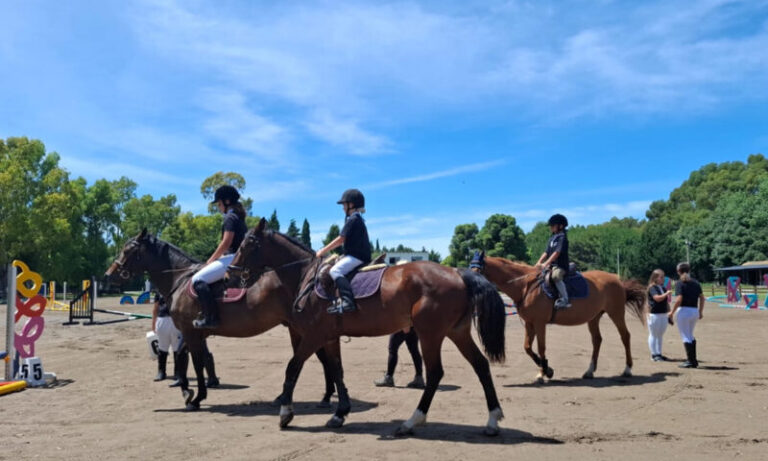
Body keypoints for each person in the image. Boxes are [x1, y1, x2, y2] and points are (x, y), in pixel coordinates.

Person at [192, 185, 247, 329]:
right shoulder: (238, 216)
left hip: (233, 258)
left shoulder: (230, 217)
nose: (218, 206)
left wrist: (211, 260)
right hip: (237, 256)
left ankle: (211, 317)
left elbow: (226, 241)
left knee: (198, 279)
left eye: (219, 203)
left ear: (227, 201)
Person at [316, 189, 371, 314]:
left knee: (335, 270)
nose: (343, 208)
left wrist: (322, 251)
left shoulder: (353, 219)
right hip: (356, 255)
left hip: (357, 256)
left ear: (351, 205)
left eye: (344, 205)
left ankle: (348, 302)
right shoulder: (356, 218)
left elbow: (341, 239)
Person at [153, 293, 219, 387]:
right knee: (169, 349)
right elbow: (156, 307)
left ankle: (180, 374)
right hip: (170, 320)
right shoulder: (162, 291)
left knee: (183, 349)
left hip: (183, 321)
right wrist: (154, 321)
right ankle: (167, 373)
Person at [669, 262, 705, 368]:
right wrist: (700, 311)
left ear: (678, 271)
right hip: (694, 311)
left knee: (685, 335)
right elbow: (702, 298)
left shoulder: (680, 283)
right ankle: (693, 360)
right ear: (689, 270)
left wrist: (672, 312)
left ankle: (691, 361)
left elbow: (679, 299)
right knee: (690, 334)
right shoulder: (696, 282)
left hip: (684, 311)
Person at [535, 214, 571, 309]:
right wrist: (538, 262)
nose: (550, 227)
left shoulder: (562, 237)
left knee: (555, 276)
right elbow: (546, 252)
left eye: (553, 225)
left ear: (561, 226)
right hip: (551, 265)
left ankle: (565, 299)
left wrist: (545, 263)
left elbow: (557, 253)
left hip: (561, 266)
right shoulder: (552, 238)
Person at [152, 292, 182, 382]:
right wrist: (153, 322)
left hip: (176, 320)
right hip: (162, 320)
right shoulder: (159, 291)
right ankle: (161, 371)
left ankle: (178, 372)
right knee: (162, 348)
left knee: (177, 349)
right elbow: (156, 307)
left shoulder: (179, 287)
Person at [646, 269, 672, 362]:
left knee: (660, 335)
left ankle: (659, 353)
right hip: (654, 314)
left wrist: (670, 312)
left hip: (662, 313)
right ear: (655, 278)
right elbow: (657, 298)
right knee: (653, 334)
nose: (663, 279)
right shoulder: (652, 287)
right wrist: (666, 294)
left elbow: (666, 302)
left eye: (663, 277)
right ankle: (654, 354)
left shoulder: (662, 287)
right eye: (661, 277)